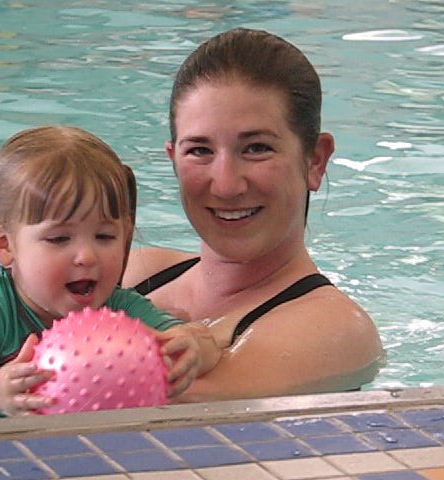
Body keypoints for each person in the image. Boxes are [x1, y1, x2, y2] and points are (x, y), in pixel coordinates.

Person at [122, 28, 384, 402]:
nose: (226, 185)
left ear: (315, 160)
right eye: (199, 151)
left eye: (257, 148)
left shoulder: (336, 329)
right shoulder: (137, 272)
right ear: (173, 160)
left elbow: (136, 402)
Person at [0, 125, 220, 415]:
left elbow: (207, 343)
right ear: (4, 244)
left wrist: (191, 346)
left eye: (104, 236)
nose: (86, 256)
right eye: (59, 239)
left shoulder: (119, 310)